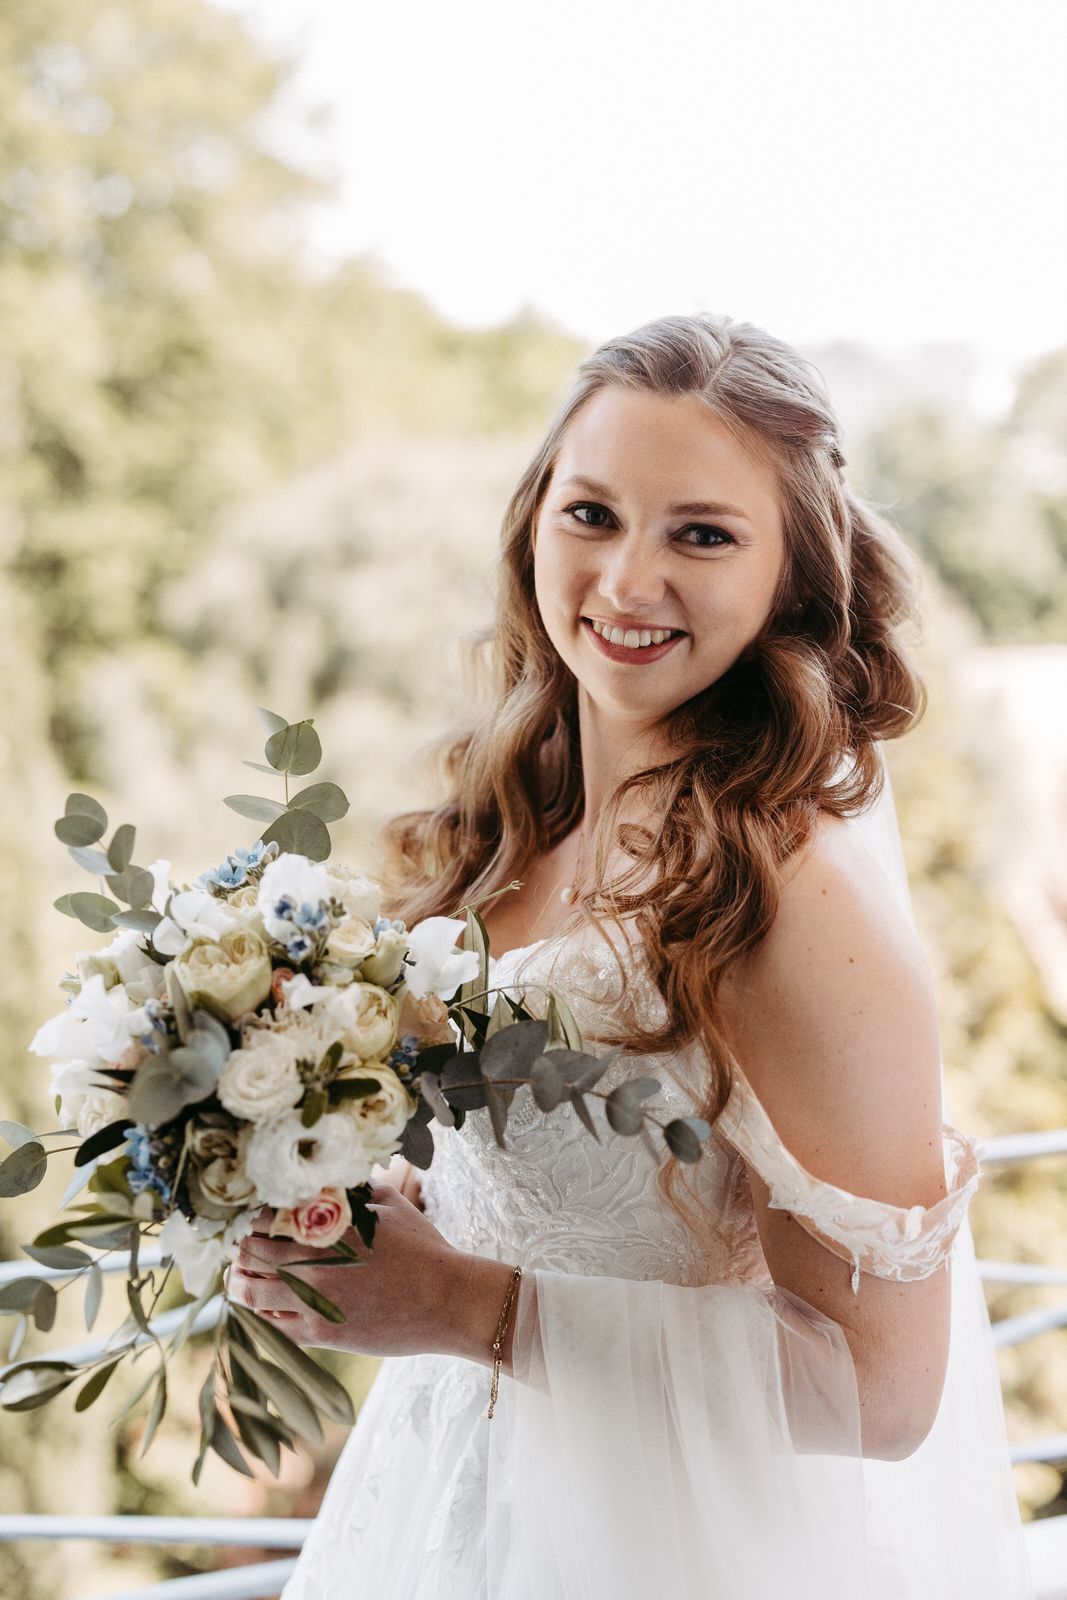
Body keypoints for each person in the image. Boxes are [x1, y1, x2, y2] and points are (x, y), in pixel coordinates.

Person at [228, 312, 1035, 1597]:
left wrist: (458, 1307)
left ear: (791, 577)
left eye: (701, 534)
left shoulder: (790, 898)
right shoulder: (512, 821)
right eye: (591, 514)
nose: (623, 581)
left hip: (665, 1544)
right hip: (453, 1495)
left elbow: (882, 1395)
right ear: (532, 520)